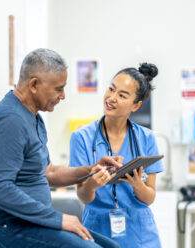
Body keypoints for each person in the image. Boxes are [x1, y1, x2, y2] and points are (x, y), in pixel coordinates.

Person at [0, 48, 122, 248]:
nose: (63, 95)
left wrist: (91, 170)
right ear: (34, 84)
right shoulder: (11, 121)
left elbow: (49, 172)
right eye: (58, 88)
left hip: (26, 224)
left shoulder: (33, 117)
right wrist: (58, 219)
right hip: (0, 228)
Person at [69, 63, 164, 247]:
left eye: (122, 95)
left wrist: (137, 185)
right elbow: (83, 196)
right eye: (111, 89)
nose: (111, 98)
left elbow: (149, 197)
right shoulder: (81, 138)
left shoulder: (146, 138)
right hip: (98, 230)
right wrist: (92, 184)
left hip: (140, 234)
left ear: (136, 105)